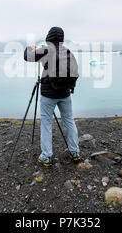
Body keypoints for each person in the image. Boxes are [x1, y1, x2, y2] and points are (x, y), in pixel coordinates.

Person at [24, 27, 81, 166]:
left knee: (46, 123)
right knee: (69, 120)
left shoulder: (46, 49)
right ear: (62, 38)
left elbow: (28, 57)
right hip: (65, 93)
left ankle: (47, 156)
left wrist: (29, 48)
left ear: (49, 37)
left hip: (48, 95)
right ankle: (75, 152)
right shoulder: (68, 51)